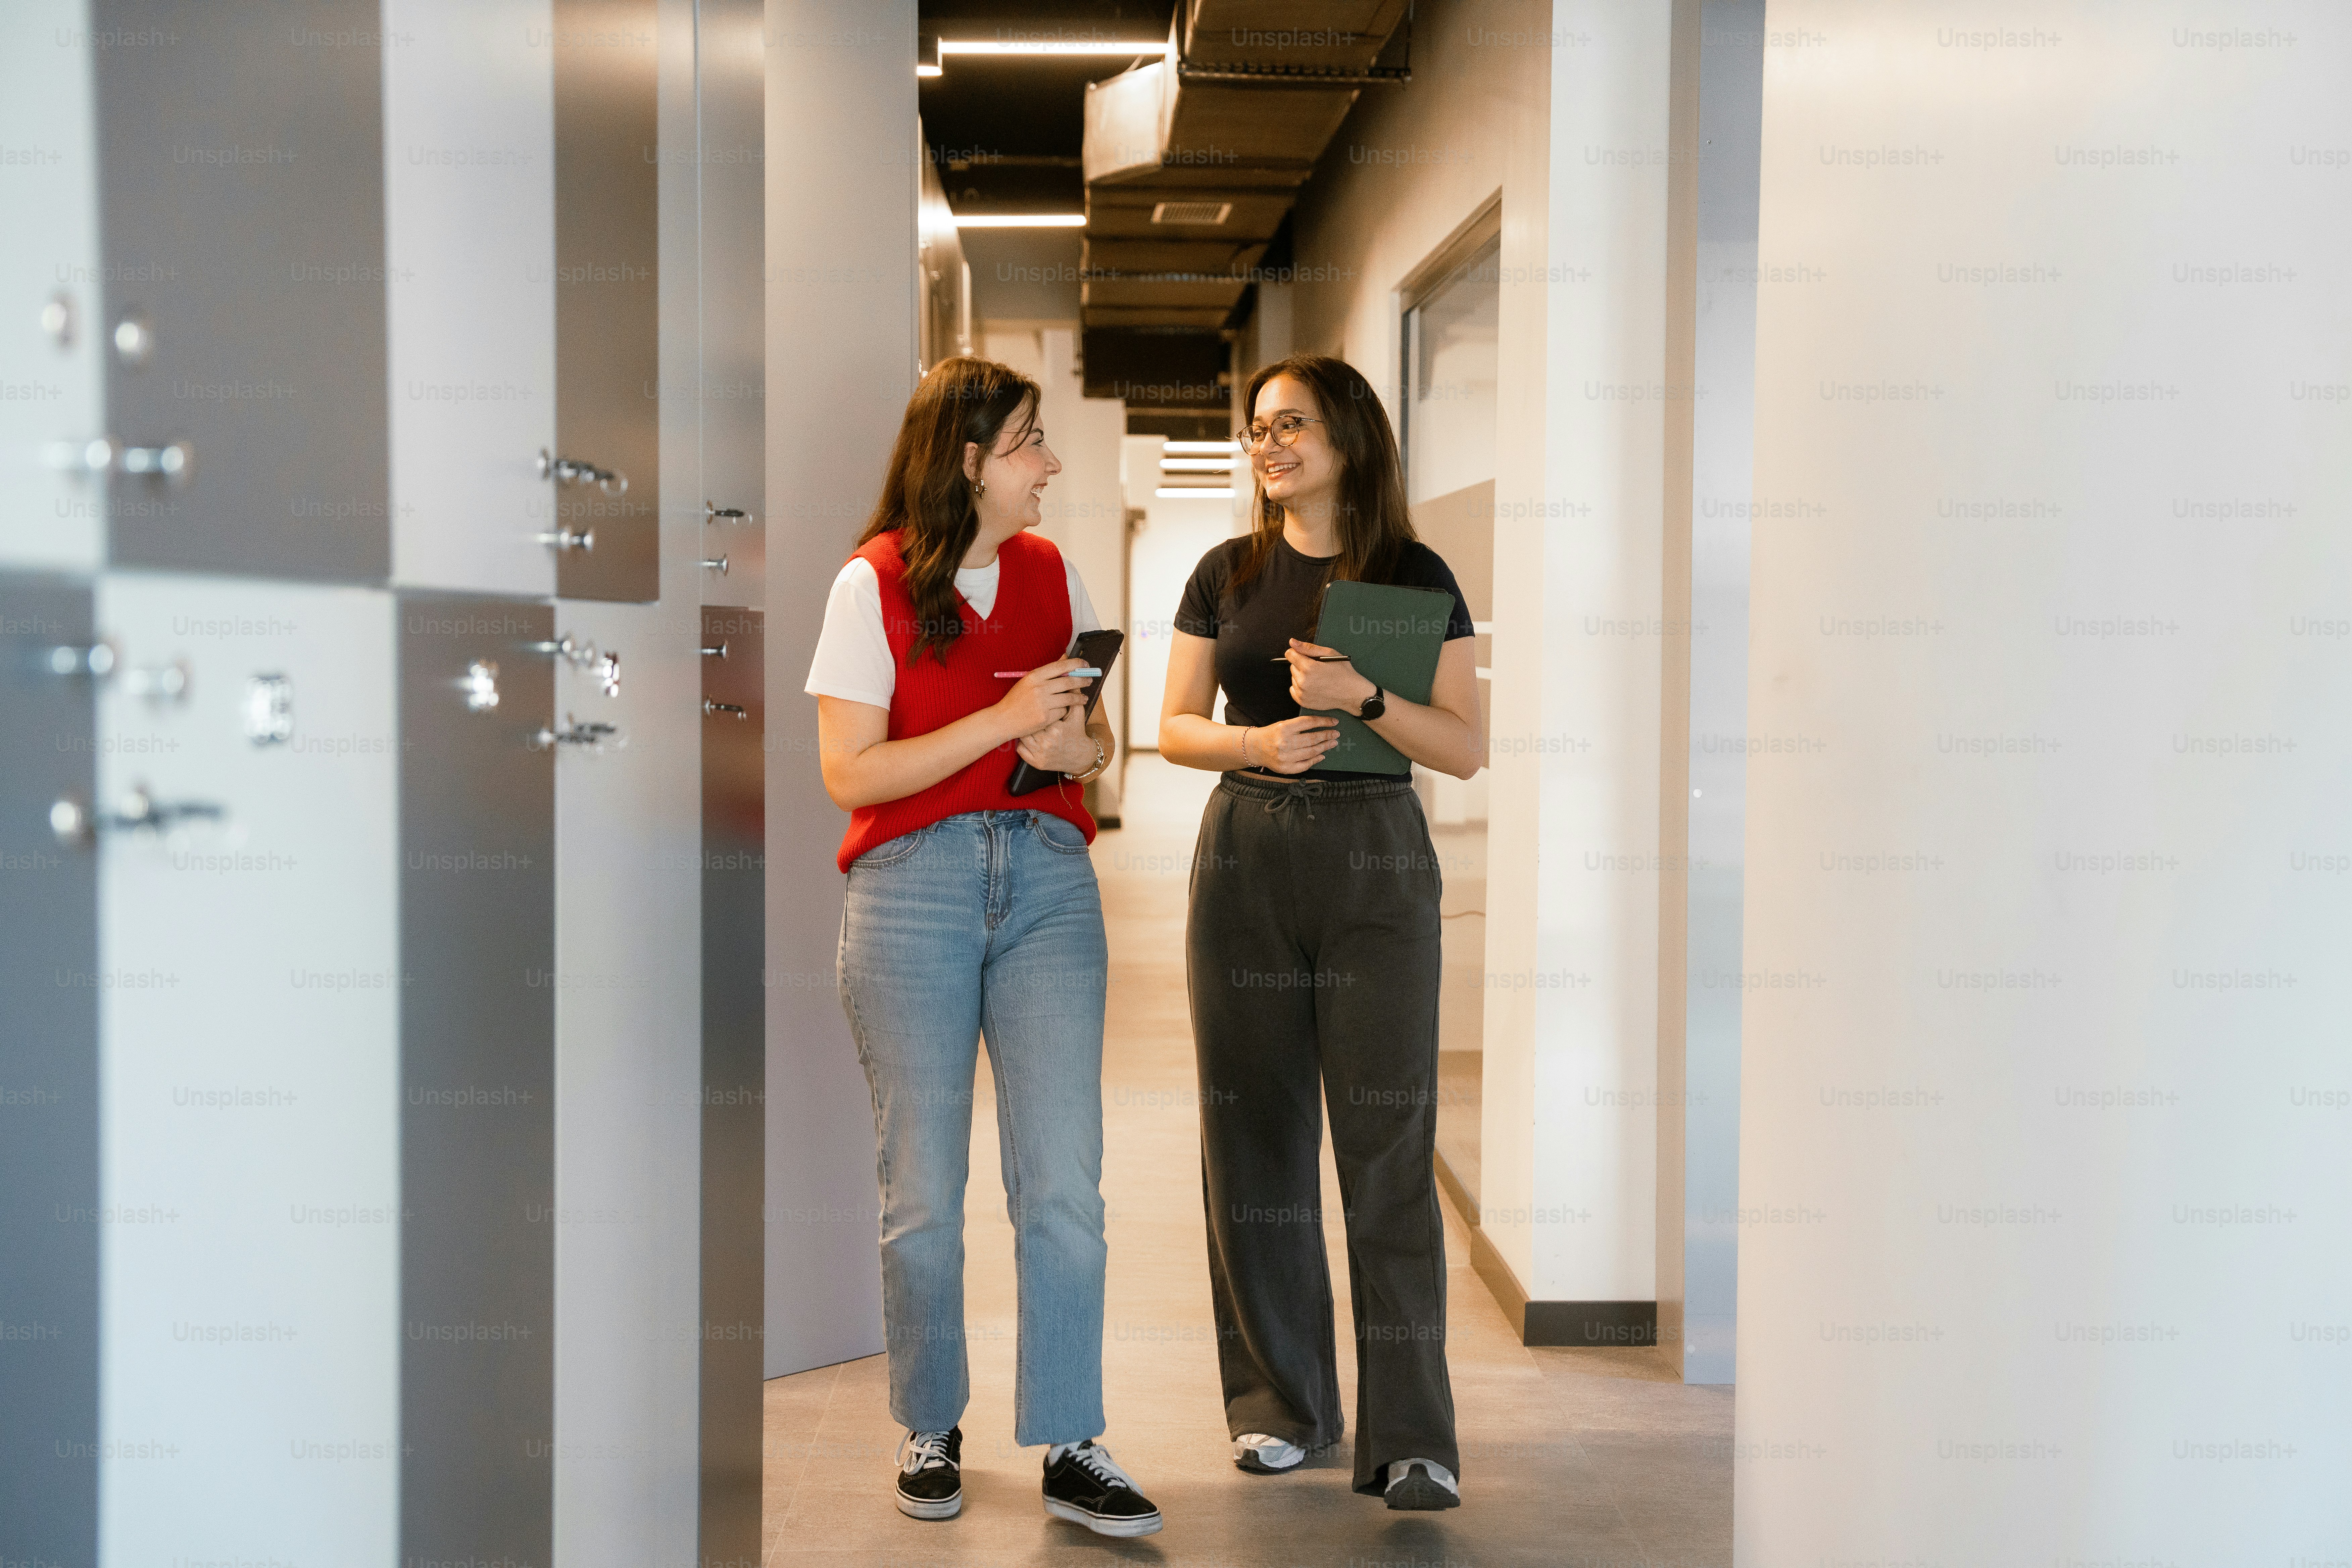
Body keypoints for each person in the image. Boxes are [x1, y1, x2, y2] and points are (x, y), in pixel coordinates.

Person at [806, 355, 1161, 1538]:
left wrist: (1080, 752)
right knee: (924, 1192)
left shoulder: (1057, 570)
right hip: (913, 890)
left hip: (1051, 882)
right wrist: (1002, 723)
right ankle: (930, 1422)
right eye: (1027, 443)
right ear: (966, 461)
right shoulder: (871, 585)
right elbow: (848, 773)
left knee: (1065, 1178)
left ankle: (1071, 1438)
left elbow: (1091, 732)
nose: (1050, 463)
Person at [1158, 352, 1484, 1510]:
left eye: (1291, 423)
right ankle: (1282, 1406)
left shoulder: (1414, 571)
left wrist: (1363, 704)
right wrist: (1256, 744)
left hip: (1377, 861)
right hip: (1246, 849)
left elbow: (1461, 745)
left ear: (1349, 434)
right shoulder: (1225, 572)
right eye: (1257, 428)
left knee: (1388, 1147)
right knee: (1251, 1137)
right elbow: (1174, 726)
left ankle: (1411, 1437)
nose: (1270, 444)